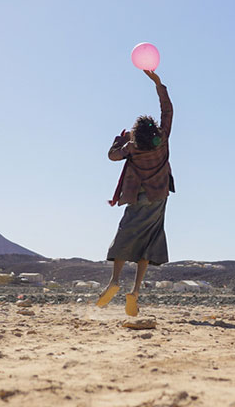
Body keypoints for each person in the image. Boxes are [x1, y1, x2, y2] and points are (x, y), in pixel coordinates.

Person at [97, 69, 174, 316]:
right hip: (158, 198)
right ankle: (135, 291)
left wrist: (120, 141)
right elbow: (168, 110)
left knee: (125, 236)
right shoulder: (162, 139)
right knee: (149, 243)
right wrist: (158, 83)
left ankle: (114, 281)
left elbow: (111, 156)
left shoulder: (131, 148)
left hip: (137, 197)